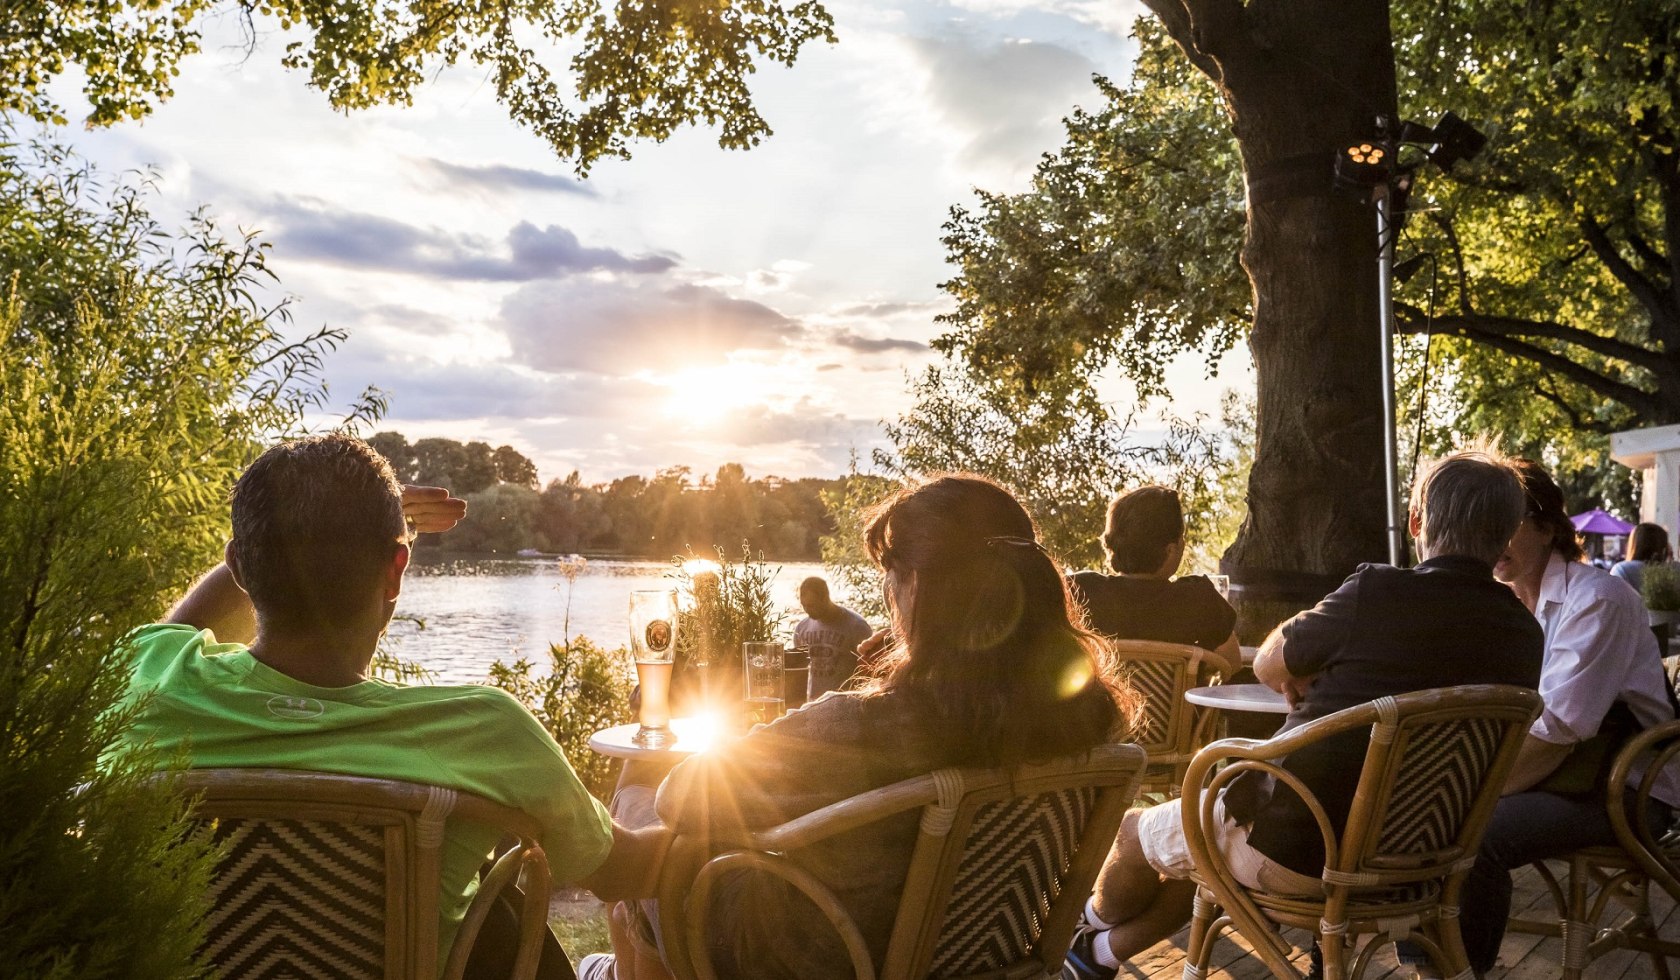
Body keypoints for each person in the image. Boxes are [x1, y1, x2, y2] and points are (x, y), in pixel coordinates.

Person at [110, 434, 659, 980]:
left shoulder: (148, 684)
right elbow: (626, 873)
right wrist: (674, 772)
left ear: (239, 567)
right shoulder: (487, 731)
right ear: (396, 571)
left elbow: (174, 629)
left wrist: (276, 544)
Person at [584, 474, 1137, 980]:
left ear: (915, 585)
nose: (887, 599)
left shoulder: (875, 722)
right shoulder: (1093, 714)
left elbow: (681, 795)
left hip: (830, 953)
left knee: (645, 809)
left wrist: (652, 727)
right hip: (980, 951)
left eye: (888, 580)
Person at [1061, 449, 1545, 980]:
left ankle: (1077, 932)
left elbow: (1268, 664)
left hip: (1301, 851)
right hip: (1429, 864)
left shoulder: (1379, 592)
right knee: (1191, 846)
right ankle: (1095, 954)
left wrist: (1303, 674)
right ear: (1506, 536)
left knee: (1137, 832)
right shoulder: (1524, 634)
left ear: (1416, 521)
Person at [1442, 460, 1680, 976]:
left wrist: (1467, 792)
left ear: (1548, 527)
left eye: (1507, 521)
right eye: (1483, 523)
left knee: (1469, 836)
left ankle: (1460, 972)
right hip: (1555, 778)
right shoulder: (1501, 606)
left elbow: (1556, 736)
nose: (1490, 537)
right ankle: (1433, 964)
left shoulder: (1597, 599)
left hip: (1629, 790)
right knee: (1422, 820)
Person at [1066, 485, 1241, 677]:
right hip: (1178, 708)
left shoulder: (1080, 591)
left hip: (1104, 707)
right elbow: (1232, 665)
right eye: (1181, 537)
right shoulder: (1199, 599)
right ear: (1170, 550)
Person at [793, 575, 875, 696]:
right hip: (813, 703)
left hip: (845, 702)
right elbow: (800, 669)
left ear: (825, 598)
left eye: (811, 605)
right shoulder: (801, 628)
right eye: (803, 605)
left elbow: (871, 669)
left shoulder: (856, 626)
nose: (807, 610)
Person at [1611, 520, 1672, 595]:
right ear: (1664, 545)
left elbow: (1614, 600)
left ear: (1634, 544)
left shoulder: (1622, 569)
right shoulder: (1674, 570)